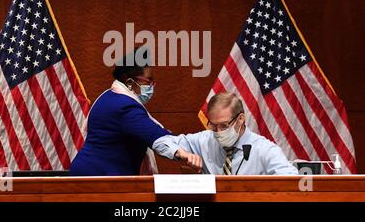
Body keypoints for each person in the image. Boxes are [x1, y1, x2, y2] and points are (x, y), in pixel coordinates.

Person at [69, 48, 200, 176]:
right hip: (97, 181)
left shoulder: (110, 96)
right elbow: (154, 135)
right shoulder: (123, 106)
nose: (152, 86)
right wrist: (181, 153)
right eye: (148, 81)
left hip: (94, 176)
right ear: (130, 82)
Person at [153, 92, 298, 175]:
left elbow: (290, 181)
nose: (218, 132)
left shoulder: (264, 149)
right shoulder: (205, 140)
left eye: (224, 126)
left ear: (240, 119)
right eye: (213, 126)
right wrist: (180, 152)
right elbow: (160, 141)